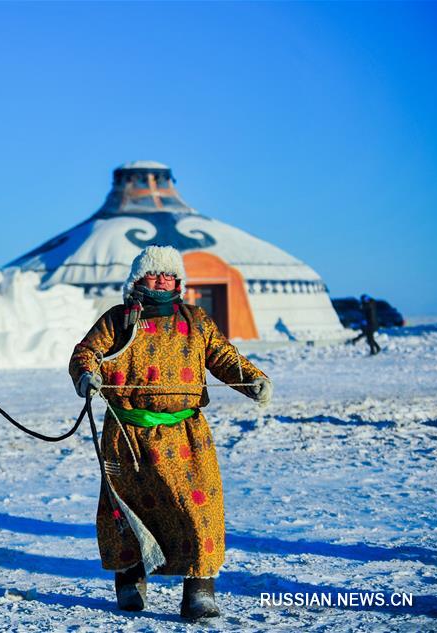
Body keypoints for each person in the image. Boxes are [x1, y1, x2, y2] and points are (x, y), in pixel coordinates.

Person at [68, 245, 272, 620]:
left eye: (169, 275)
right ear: (137, 279)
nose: (162, 280)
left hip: (185, 435)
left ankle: (199, 589)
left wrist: (253, 380)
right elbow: (85, 353)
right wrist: (86, 375)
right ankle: (130, 581)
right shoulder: (118, 321)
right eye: (153, 274)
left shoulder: (196, 320)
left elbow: (223, 357)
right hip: (128, 436)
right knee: (128, 511)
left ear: (178, 281)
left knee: (198, 510)